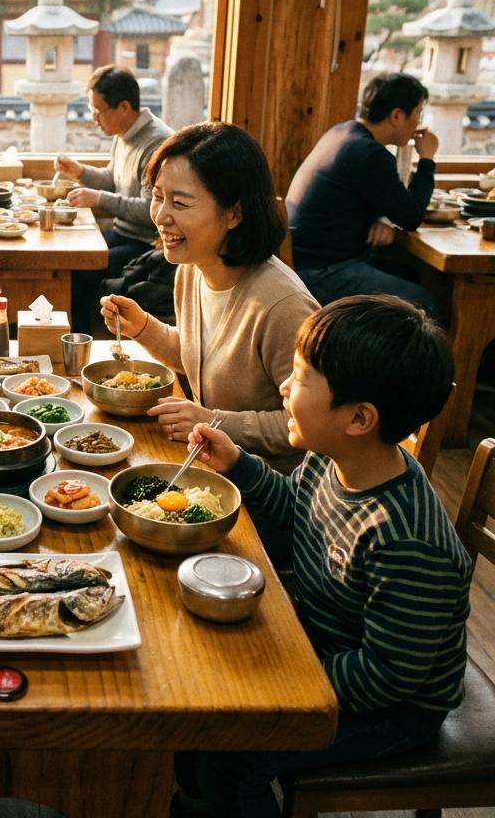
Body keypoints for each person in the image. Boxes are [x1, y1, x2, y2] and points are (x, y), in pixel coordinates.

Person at [173, 295, 469, 818]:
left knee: (235, 753)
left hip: (391, 710)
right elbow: (295, 509)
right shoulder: (334, 457)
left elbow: (388, 675)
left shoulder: (406, 540)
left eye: (303, 377)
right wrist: (239, 464)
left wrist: (286, 679)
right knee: (193, 699)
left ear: (358, 418)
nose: (285, 386)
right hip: (320, 643)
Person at [100, 122, 317, 472]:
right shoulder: (193, 267)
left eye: (181, 203)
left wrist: (213, 420)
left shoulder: (284, 306)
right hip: (209, 466)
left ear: (234, 213)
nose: (161, 216)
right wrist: (142, 327)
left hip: (271, 492)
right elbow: (198, 358)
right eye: (157, 197)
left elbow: (310, 426)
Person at [285, 71, 437, 312]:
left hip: (302, 261)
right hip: (321, 272)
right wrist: (427, 158)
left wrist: (381, 217)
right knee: (424, 304)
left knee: (412, 275)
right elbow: (411, 217)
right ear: (397, 115)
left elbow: (366, 194)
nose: (418, 123)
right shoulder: (370, 154)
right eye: (418, 113)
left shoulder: (343, 132)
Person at [56, 66, 173, 327]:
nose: (94, 118)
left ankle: (79, 342)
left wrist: (98, 199)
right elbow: (114, 179)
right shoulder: (124, 133)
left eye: (99, 111)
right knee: (69, 253)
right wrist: (80, 172)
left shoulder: (156, 143)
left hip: (145, 244)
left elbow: (148, 210)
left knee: (79, 270)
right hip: (123, 234)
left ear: (123, 107)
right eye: (92, 110)